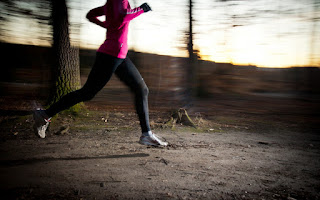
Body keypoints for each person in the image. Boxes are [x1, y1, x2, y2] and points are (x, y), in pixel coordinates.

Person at [33, 0, 168, 147]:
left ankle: (146, 134)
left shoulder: (113, 3)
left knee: (141, 89)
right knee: (87, 93)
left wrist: (107, 25)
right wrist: (140, 10)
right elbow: (120, 18)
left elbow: (91, 15)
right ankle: (45, 115)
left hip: (120, 56)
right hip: (110, 55)